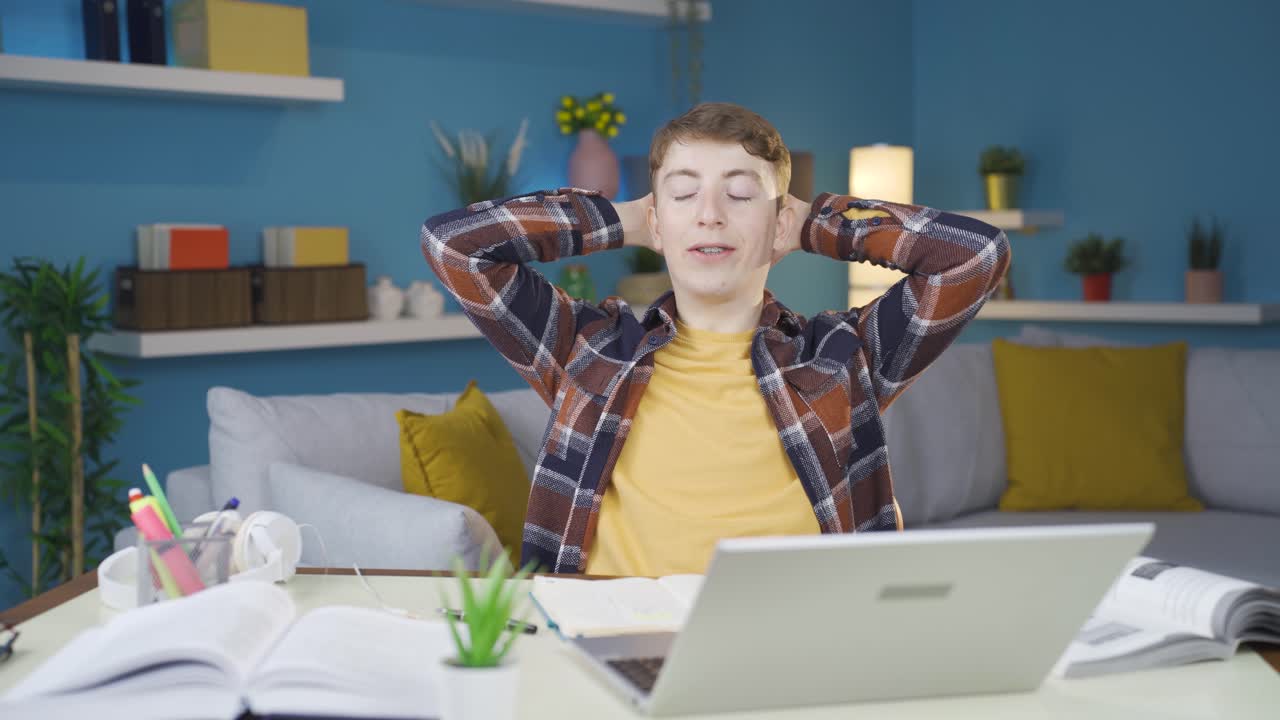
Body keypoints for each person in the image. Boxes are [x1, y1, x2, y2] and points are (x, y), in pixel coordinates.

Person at [422, 102, 1010, 576]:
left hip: (799, 639)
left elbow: (974, 257)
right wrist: (626, 220)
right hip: (616, 634)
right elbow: (454, 246)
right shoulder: (588, 349)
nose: (709, 215)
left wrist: (810, 221)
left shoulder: (842, 357)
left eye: (739, 193)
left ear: (779, 223)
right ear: (658, 221)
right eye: (683, 195)